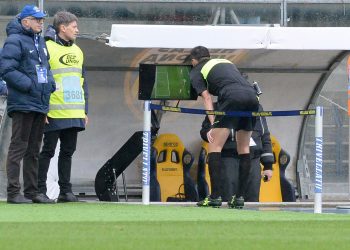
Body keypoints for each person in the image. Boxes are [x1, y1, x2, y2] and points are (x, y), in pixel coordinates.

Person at [189, 45, 273, 208]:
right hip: (252, 97)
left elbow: (206, 98)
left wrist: (213, 124)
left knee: (214, 145)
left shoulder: (196, 70)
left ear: (193, 61)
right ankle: (239, 198)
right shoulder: (225, 62)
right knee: (244, 148)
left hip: (232, 97)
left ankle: (214, 197)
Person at [0, 5, 56, 204]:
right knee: (19, 147)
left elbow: (46, 67)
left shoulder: (40, 41)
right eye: (36, 19)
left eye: (41, 19)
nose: (41, 22)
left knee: (34, 149)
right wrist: (30, 85)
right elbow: (7, 69)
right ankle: (14, 193)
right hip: (23, 102)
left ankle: (33, 193)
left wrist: (50, 83)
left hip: (39, 102)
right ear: (25, 22)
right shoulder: (14, 40)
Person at [38, 11, 88, 202]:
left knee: (68, 152)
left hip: (74, 111)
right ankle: (40, 190)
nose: (77, 30)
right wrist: (43, 109)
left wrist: (85, 110)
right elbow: (42, 80)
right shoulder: (47, 48)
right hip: (53, 110)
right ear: (63, 27)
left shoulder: (78, 50)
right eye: (74, 27)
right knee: (48, 151)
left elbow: (83, 82)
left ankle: (65, 191)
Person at [200, 103, 274, 202]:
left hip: (253, 161)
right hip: (228, 160)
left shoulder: (257, 108)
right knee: (227, 199)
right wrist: (212, 133)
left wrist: (268, 165)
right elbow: (205, 131)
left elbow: (265, 135)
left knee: (251, 201)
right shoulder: (218, 107)